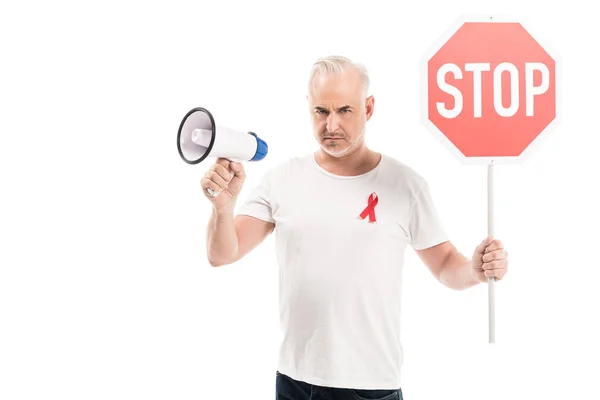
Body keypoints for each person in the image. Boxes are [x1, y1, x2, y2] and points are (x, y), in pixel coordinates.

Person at [202, 55, 509, 400]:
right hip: (294, 381)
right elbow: (222, 254)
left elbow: (445, 264)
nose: (331, 125)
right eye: (321, 111)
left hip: (370, 386)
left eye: (345, 110)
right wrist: (223, 207)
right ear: (309, 107)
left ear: (369, 107)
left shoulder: (405, 185)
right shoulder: (282, 180)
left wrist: (475, 269)